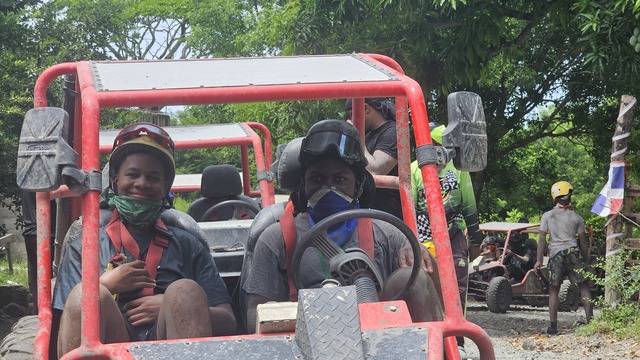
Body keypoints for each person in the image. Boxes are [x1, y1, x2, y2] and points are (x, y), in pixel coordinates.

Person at [53, 122, 236, 357]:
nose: (142, 183)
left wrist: (171, 307)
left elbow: (229, 320)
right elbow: (63, 322)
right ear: (115, 180)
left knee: (185, 291)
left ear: (165, 187)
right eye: (133, 174)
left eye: (153, 177)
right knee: (85, 295)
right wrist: (104, 285)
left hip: (171, 343)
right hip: (110, 342)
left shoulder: (188, 244)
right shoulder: (85, 246)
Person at [243, 119, 443, 333]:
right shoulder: (277, 239)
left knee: (409, 276)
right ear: (304, 184)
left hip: (381, 344)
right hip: (303, 344)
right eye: (317, 179)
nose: (328, 189)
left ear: (358, 186)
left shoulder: (388, 234)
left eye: (340, 180)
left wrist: (423, 258)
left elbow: (429, 297)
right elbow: (256, 315)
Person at [410, 123, 483, 353]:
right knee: (426, 289)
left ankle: (457, 342)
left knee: (457, 289)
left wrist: (475, 242)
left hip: (453, 237)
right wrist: (412, 242)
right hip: (424, 241)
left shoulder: (459, 169)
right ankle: (429, 340)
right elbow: (409, 210)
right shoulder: (413, 170)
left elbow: (470, 206)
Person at [535, 181, 592, 335]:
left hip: (556, 256)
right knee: (584, 287)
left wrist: (539, 260)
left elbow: (542, 239)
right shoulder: (577, 217)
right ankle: (591, 323)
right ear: (569, 195)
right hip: (573, 253)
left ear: (555, 196)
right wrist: (587, 261)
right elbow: (583, 242)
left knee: (554, 289)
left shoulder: (547, 216)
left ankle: (553, 327)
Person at [345, 98, 402, 219]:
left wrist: (356, 136)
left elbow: (376, 170)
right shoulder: (368, 136)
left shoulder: (393, 131)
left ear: (366, 108)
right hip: (367, 215)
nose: (351, 121)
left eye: (352, 115)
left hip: (388, 217)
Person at [20, 191, 56, 314]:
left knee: (37, 275)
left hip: (31, 233)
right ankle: (46, 311)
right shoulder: (44, 183)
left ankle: (38, 310)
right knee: (49, 275)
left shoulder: (28, 181)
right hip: (44, 232)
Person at [504, 217, 536, 283]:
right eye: (511, 243)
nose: (512, 245)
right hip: (514, 273)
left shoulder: (527, 248)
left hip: (524, 274)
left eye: (514, 243)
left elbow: (525, 260)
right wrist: (503, 258)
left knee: (512, 269)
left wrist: (513, 254)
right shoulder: (512, 249)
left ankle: (503, 282)